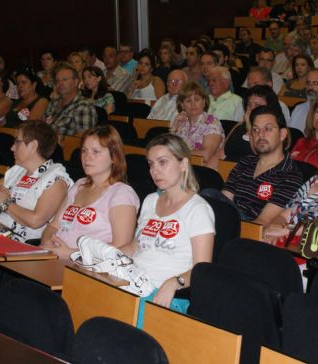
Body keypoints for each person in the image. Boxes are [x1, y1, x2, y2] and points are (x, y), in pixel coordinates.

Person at [120, 134, 214, 316]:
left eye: (162, 162)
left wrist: (173, 282)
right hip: (133, 282)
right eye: (151, 164)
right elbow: (135, 246)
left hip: (166, 294)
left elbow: (202, 270)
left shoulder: (198, 209)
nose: (154, 170)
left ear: (183, 164)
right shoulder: (150, 200)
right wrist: (103, 256)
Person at [41, 125, 140, 258]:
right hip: (54, 257)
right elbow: (53, 226)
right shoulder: (79, 185)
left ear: (114, 157)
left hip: (87, 269)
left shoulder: (122, 194)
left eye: (96, 151)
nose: (87, 157)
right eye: (84, 151)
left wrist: (72, 254)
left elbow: (121, 248)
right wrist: (47, 244)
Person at [0, 121, 72, 243]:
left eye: (17, 142)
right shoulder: (19, 170)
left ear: (33, 145)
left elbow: (36, 221)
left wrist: (5, 203)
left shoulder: (56, 180)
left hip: (21, 245)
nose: (12, 147)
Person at [220, 106, 304, 223]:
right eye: (255, 129)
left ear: (282, 134)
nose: (261, 135)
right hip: (226, 220)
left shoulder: (290, 175)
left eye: (268, 129)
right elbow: (223, 200)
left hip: (249, 227)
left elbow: (263, 221)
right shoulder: (245, 162)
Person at [219, 85, 284, 163]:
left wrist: (250, 127)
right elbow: (220, 153)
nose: (251, 109)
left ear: (269, 107)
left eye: (257, 105)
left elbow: (261, 156)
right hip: (227, 170)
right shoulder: (239, 126)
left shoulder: (275, 129)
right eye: (249, 104)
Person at [171, 82, 224, 164]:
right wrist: (174, 127)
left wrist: (178, 153)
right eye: (188, 101)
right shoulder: (182, 122)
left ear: (204, 102)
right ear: (182, 105)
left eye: (197, 99)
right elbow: (170, 148)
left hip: (204, 169)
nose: (193, 104)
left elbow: (205, 155)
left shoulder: (212, 122)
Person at [44, 63, 97, 137]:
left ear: (76, 82)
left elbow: (81, 140)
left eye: (64, 80)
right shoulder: (53, 103)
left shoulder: (84, 106)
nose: (60, 83)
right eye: (57, 80)